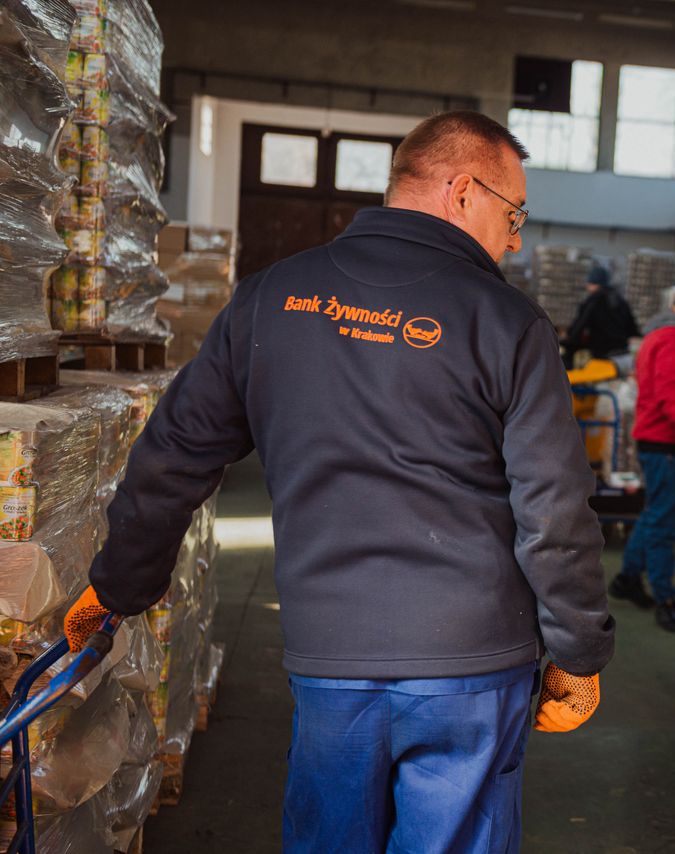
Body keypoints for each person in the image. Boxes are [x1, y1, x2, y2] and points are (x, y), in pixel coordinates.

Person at [62, 111, 615, 853]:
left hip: (331, 659)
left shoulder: (271, 298)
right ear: (462, 192)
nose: (514, 240)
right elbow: (555, 509)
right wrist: (577, 653)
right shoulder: (508, 322)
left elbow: (174, 454)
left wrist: (118, 587)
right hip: (471, 667)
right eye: (513, 215)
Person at [607, 273, 675, 633]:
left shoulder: (657, 334)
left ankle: (628, 578)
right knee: (665, 524)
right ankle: (666, 599)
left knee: (654, 514)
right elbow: (670, 389)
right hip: (667, 442)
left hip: (657, 441)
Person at [560, 264, 640, 368]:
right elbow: (633, 331)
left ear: (591, 283)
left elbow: (578, 328)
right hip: (624, 356)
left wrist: (567, 342)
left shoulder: (593, 301)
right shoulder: (621, 300)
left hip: (603, 358)